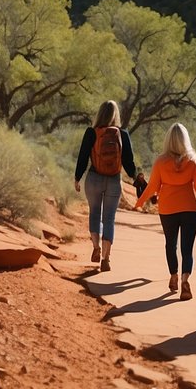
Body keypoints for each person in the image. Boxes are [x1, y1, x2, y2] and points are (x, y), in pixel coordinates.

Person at [135, 122, 196, 300]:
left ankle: (173, 275)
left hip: (167, 209)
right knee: (187, 249)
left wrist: (139, 202)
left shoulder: (160, 162)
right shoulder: (194, 163)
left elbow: (152, 186)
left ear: (168, 140)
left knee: (170, 244)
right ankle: (185, 280)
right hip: (190, 209)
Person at [74, 100, 143, 272]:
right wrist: (136, 177)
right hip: (113, 180)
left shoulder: (91, 132)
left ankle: (96, 247)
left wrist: (77, 177)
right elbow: (128, 162)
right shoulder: (123, 134)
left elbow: (83, 156)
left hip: (94, 178)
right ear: (116, 115)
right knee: (109, 219)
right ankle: (106, 258)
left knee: (94, 214)